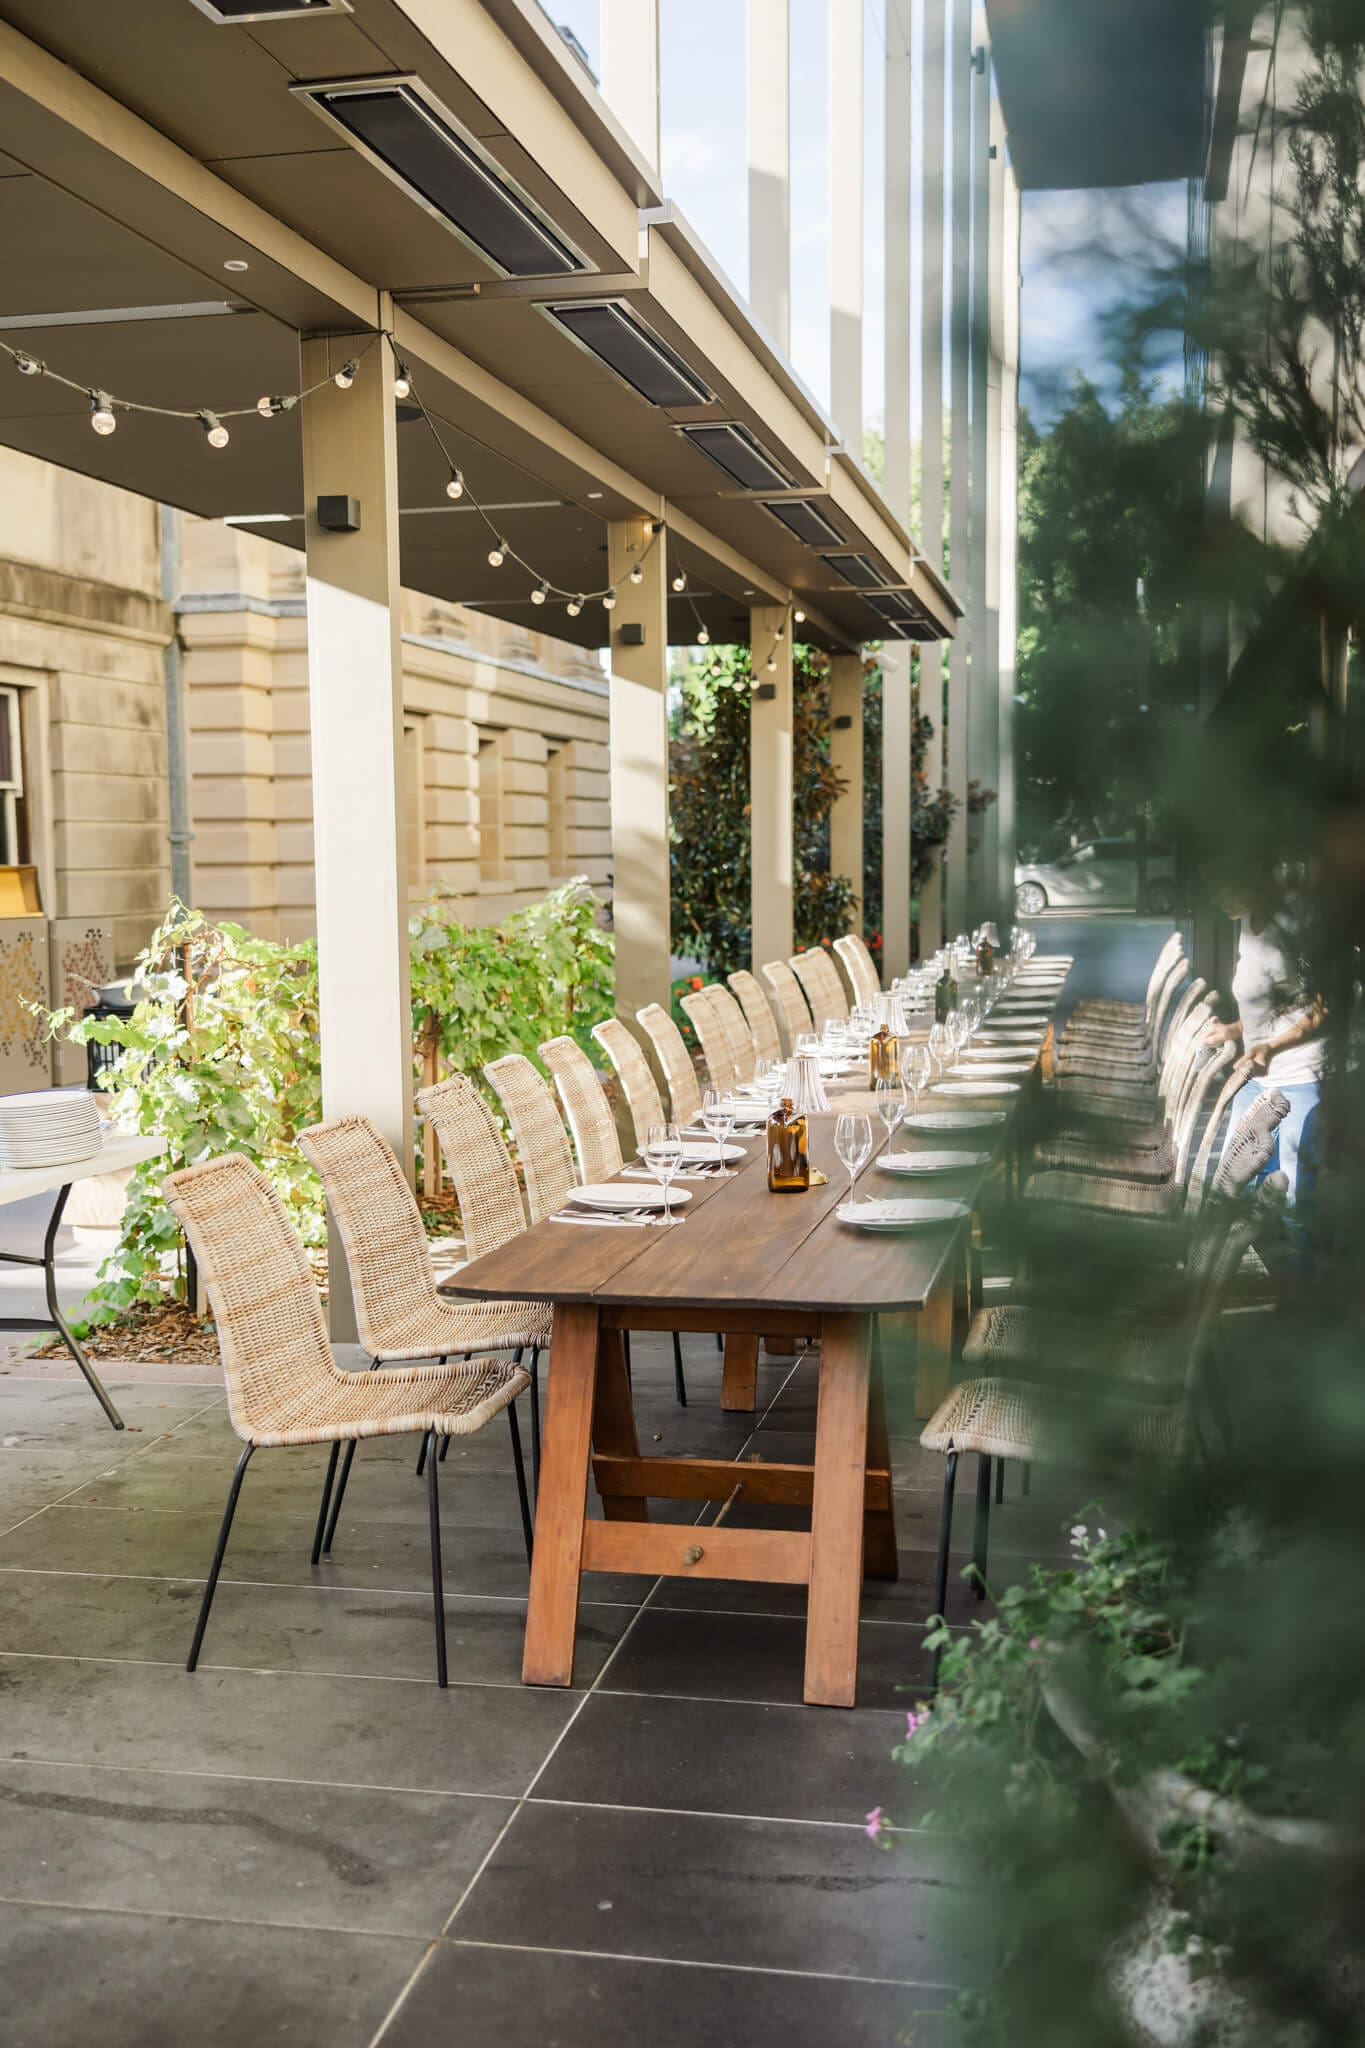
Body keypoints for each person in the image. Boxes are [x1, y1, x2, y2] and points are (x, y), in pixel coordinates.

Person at [1205, 867, 1323, 1205]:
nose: (1217, 900)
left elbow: (1324, 1007)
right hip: (1257, 1079)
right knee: (1230, 1188)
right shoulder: (1246, 923)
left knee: (1292, 1201)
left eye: (1224, 888)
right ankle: (1233, 1258)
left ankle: (1297, 1259)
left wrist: (1271, 1047)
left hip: (1299, 1080)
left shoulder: (1292, 929)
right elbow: (1269, 1004)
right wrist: (1233, 1029)